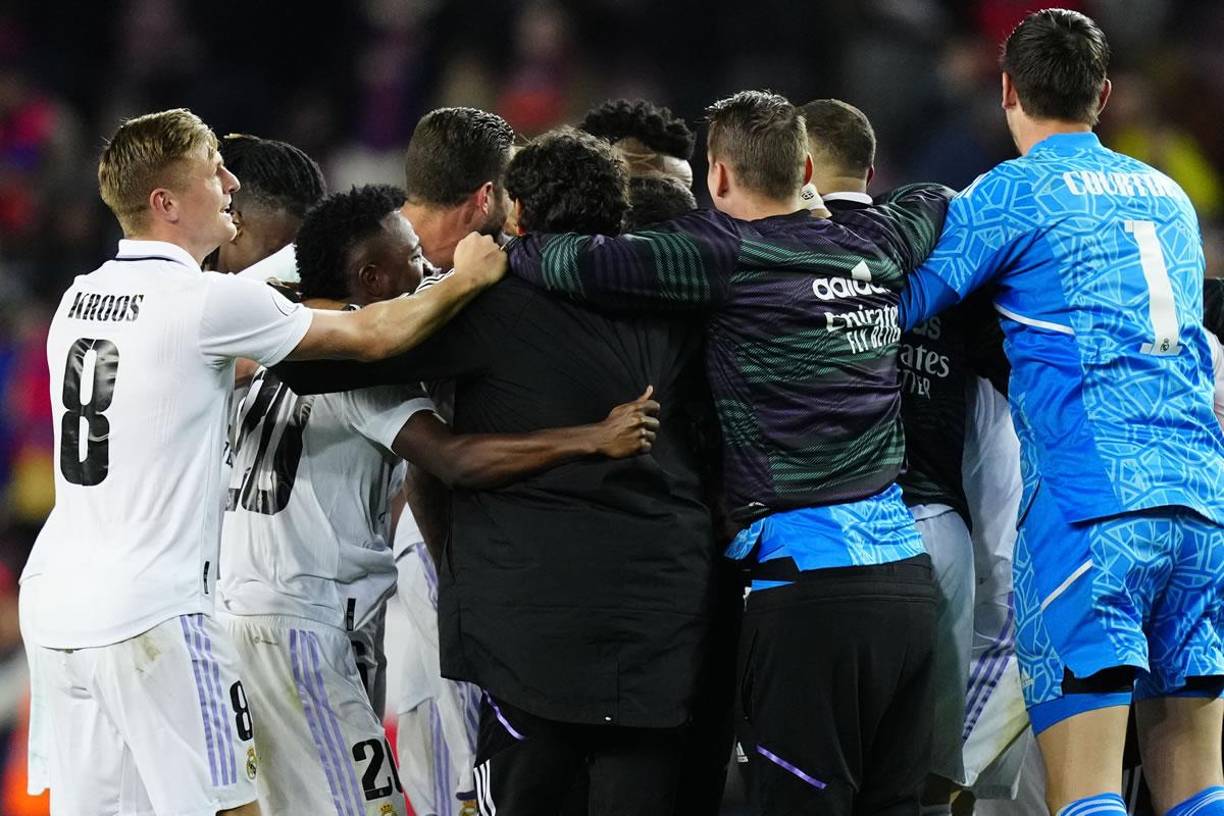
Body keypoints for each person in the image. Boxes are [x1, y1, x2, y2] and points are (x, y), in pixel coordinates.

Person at [16, 108, 505, 816]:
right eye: (212, 170)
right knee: (236, 807)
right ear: (165, 202)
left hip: (58, 604)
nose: (229, 183)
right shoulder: (201, 302)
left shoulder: (78, 298)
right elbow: (371, 333)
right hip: (157, 611)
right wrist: (462, 280)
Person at [504, 91, 952, 815]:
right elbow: (932, 197)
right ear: (805, 167)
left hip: (807, 592)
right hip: (905, 586)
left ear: (716, 178)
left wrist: (511, 241)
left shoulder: (723, 252)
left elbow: (577, 265)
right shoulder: (877, 243)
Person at [276, 127, 718, 816]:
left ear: (516, 216)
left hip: (529, 641)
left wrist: (449, 287)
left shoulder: (489, 302)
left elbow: (307, 360)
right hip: (660, 623)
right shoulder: (688, 301)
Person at [899, 10, 1224, 816]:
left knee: (1085, 792)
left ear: (1006, 89)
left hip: (1091, 515)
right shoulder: (1171, 196)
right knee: (1194, 789)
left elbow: (900, 307)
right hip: (1203, 510)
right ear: (1104, 94)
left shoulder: (1008, 193)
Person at [207, 133, 326, 276]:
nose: (296, 273)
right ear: (234, 226)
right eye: (277, 255)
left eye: (303, 258)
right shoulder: (178, 286)